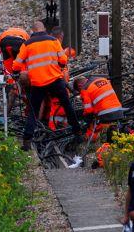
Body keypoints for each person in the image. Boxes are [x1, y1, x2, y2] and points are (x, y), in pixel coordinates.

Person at [11, 21, 82, 151]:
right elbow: (63, 60)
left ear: (32, 31)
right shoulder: (53, 41)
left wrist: (16, 73)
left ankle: (27, 141)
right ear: (44, 29)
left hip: (38, 83)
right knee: (67, 105)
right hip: (55, 80)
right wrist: (58, 67)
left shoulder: (26, 44)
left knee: (33, 111)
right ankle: (77, 133)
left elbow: (16, 65)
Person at [74, 76, 123, 140]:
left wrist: (86, 122)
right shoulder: (103, 79)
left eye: (79, 90)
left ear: (80, 86)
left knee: (92, 126)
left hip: (105, 114)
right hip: (119, 110)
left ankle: (89, 139)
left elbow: (88, 111)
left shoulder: (85, 89)